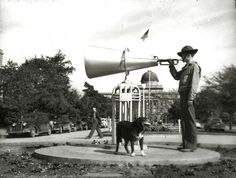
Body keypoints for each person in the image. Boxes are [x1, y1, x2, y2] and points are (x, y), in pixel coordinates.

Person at [169, 45, 201, 152]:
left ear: (188, 55)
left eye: (182, 55)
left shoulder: (194, 66)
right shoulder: (186, 67)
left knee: (190, 121)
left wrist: (191, 98)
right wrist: (171, 66)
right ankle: (186, 144)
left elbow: (194, 84)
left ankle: (191, 145)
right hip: (183, 95)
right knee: (184, 121)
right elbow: (176, 77)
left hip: (188, 95)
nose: (181, 58)